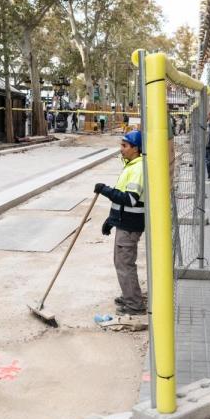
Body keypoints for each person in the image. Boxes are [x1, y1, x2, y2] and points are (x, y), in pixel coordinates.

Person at [94, 130, 146, 315]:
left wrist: (105, 190)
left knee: (125, 264)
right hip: (124, 222)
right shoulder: (131, 165)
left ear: (136, 148)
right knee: (121, 262)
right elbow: (122, 200)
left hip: (131, 225)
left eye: (125, 146)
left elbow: (130, 199)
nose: (121, 149)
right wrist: (112, 220)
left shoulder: (138, 169)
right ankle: (129, 295)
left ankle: (134, 304)